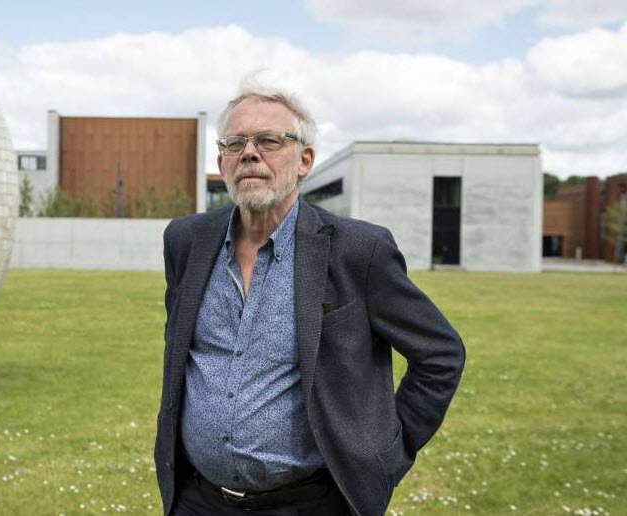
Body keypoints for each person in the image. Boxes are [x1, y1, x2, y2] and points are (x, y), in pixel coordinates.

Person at [154, 78, 465, 516]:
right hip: (199, 500)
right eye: (235, 142)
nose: (249, 152)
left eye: (268, 140)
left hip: (311, 504)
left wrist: (387, 453)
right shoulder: (186, 241)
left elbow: (441, 355)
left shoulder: (359, 251)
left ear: (305, 160)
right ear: (222, 159)